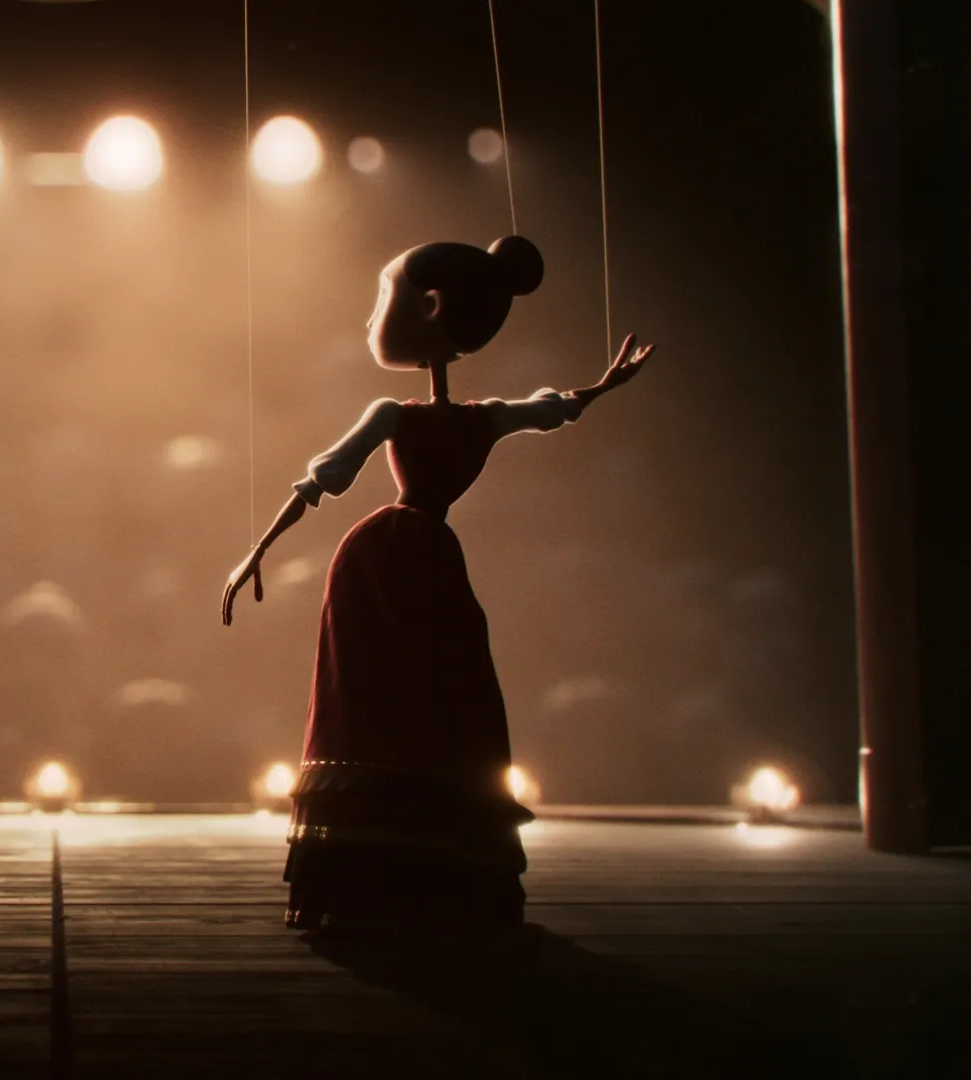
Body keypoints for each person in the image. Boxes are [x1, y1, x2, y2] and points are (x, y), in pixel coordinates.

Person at [221, 236, 657, 933]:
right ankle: (419, 867)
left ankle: (388, 870)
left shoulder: (400, 415)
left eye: (382, 297)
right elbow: (556, 408)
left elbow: (318, 482)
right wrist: (605, 386)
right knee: (431, 692)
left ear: (428, 306)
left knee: (382, 695)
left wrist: (258, 551)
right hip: (420, 558)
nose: (371, 317)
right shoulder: (480, 420)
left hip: (384, 559)